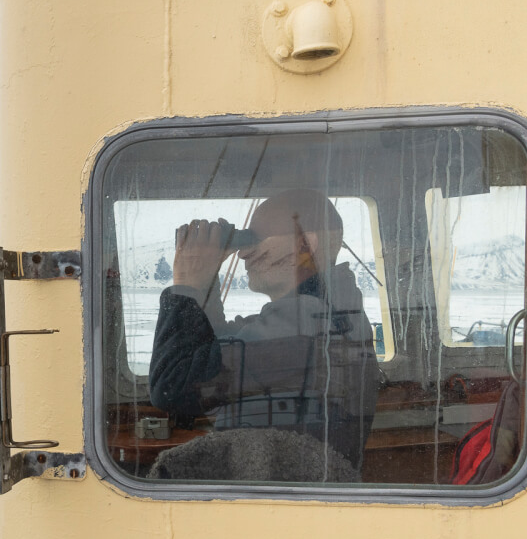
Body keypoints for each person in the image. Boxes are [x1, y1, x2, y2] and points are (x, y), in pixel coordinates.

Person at [148, 188, 379, 476]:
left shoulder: (303, 323)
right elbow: (215, 347)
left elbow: (172, 387)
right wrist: (205, 280)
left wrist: (186, 286)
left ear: (305, 244)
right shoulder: (332, 311)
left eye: (255, 240)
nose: (243, 253)